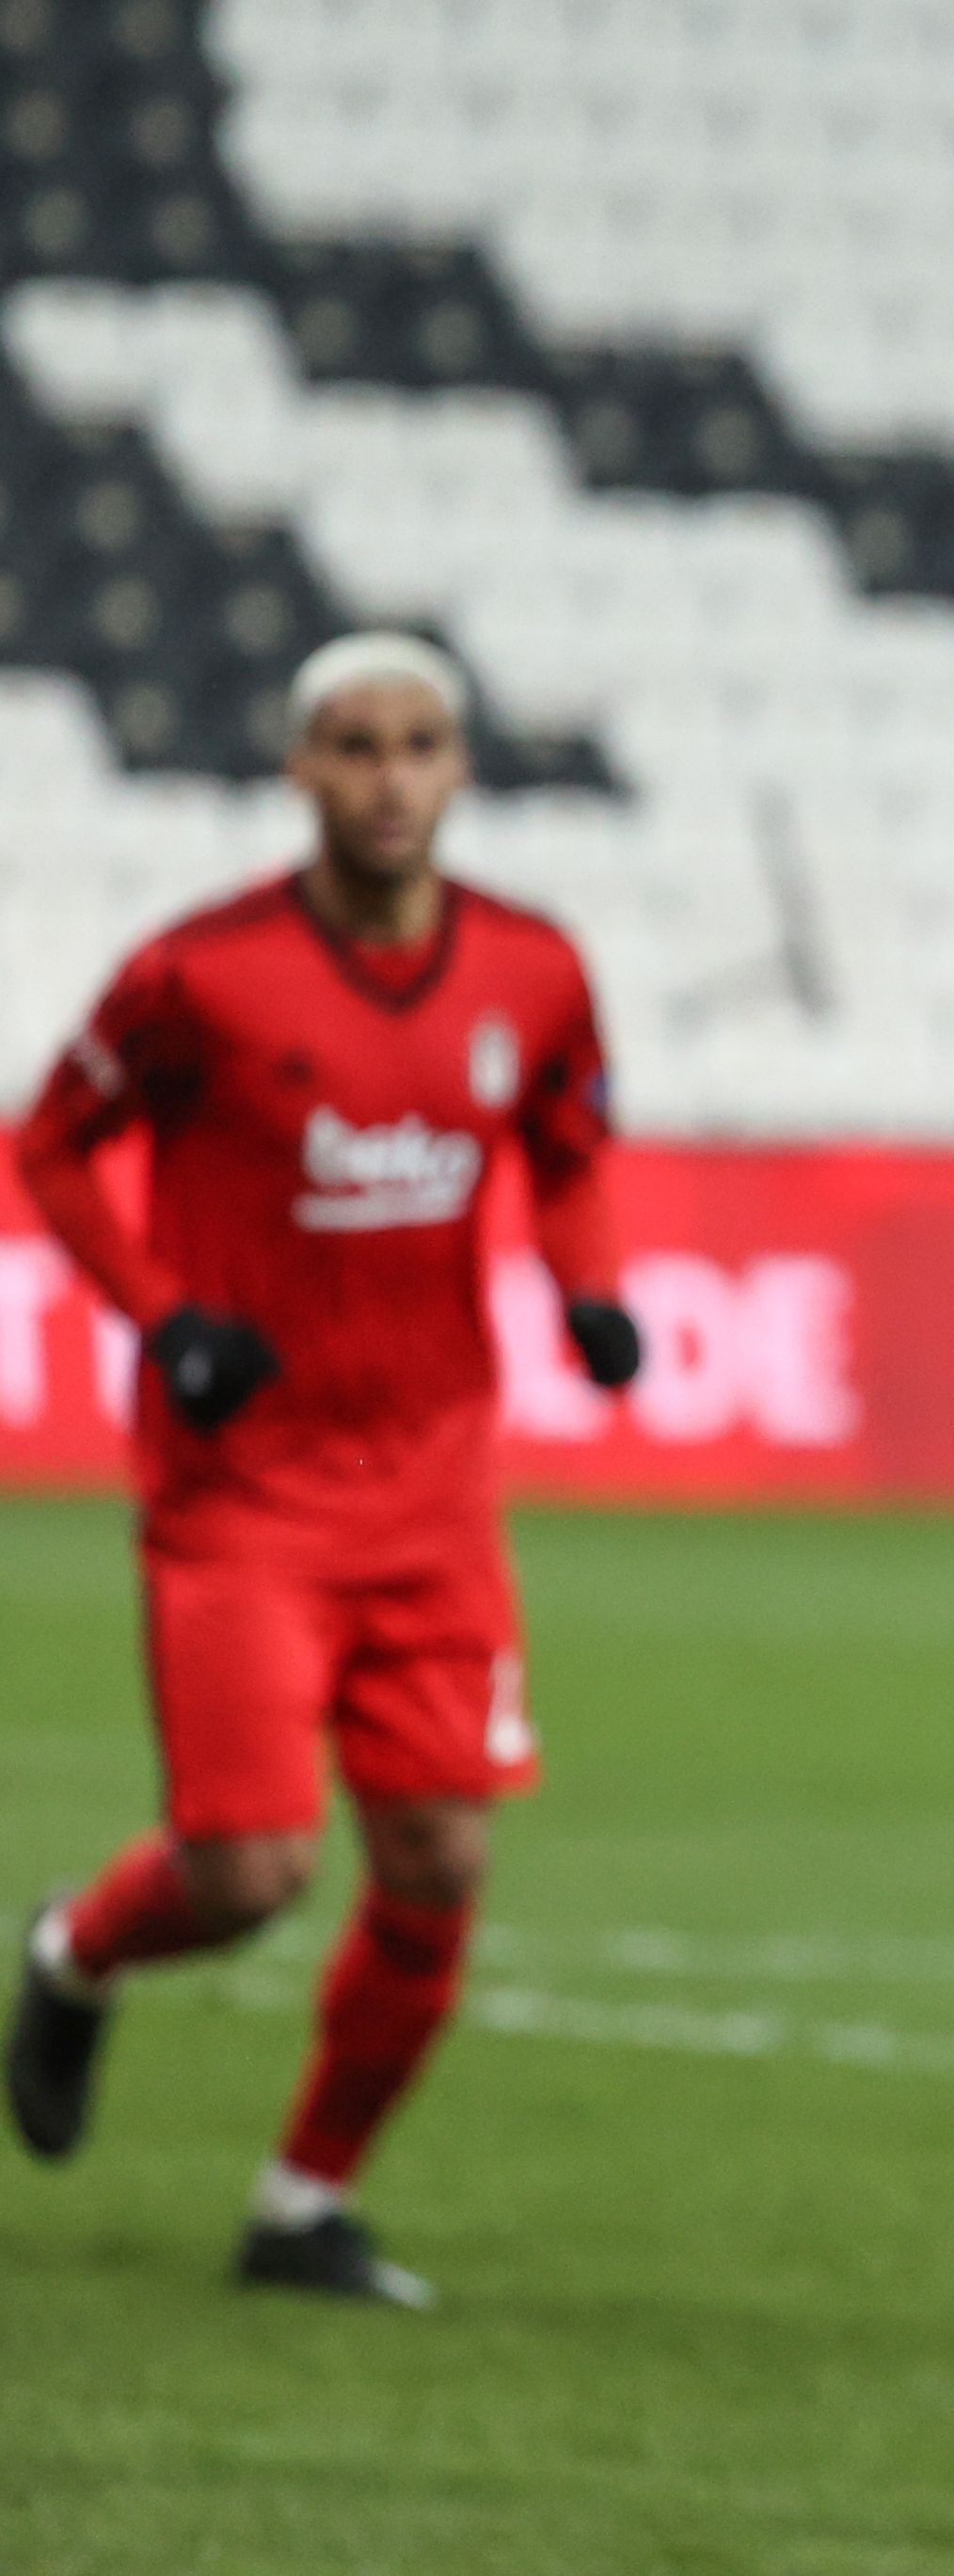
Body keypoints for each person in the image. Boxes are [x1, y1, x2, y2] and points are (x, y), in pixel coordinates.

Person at [8, 631, 647, 2308]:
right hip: (244, 1498)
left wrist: (587, 1288)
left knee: (439, 1863)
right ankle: (76, 1950)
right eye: (351, 745)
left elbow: (569, 1148)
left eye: (418, 742)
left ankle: (303, 2203)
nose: (386, 775)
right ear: (298, 769)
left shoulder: (532, 967)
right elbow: (46, 1145)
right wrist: (163, 1316)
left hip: (432, 1494)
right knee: (249, 1873)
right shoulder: (200, 974)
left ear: (460, 767)